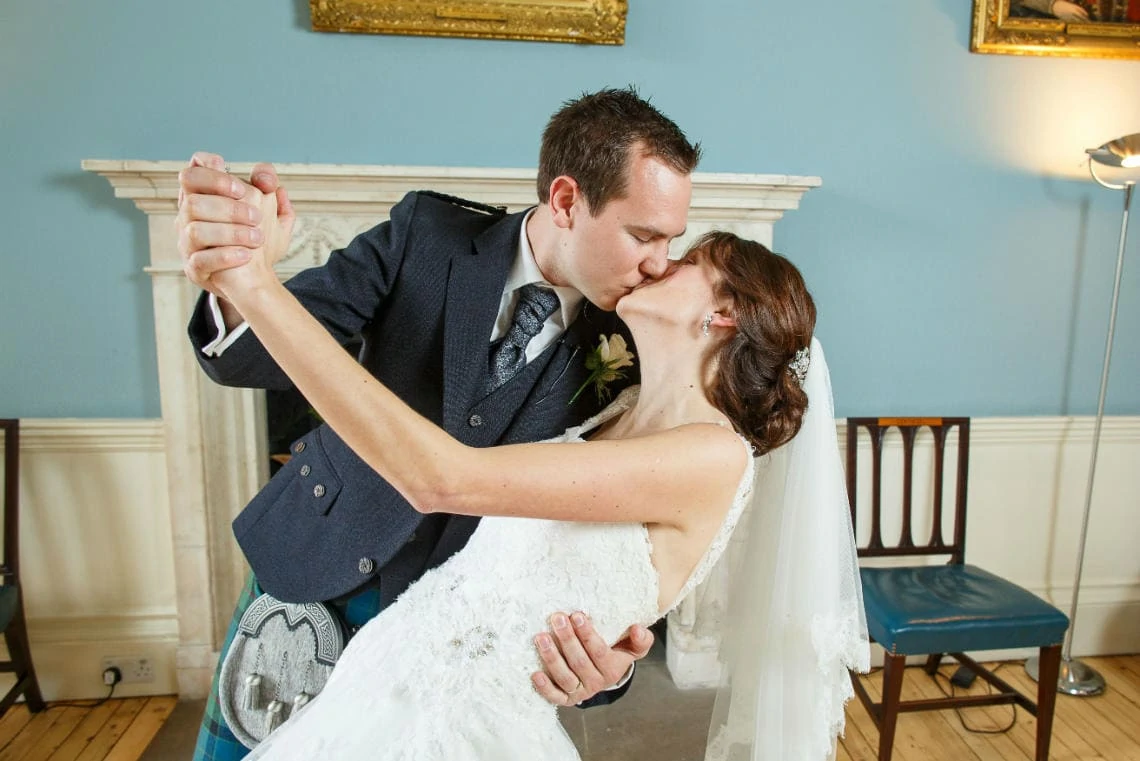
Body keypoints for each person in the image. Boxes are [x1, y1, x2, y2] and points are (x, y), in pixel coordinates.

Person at [202, 206, 866, 759]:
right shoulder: (614, 409)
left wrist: (257, 288)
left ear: (724, 314)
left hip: (459, 729)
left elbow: (443, 477)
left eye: (687, 259)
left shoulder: (714, 457)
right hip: (382, 677)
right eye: (653, 239)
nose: (662, 261)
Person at [177, 88, 701, 760]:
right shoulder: (428, 235)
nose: (659, 262)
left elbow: (603, 549)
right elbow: (258, 350)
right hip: (305, 575)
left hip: (439, 657)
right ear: (567, 201)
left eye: (670, 240)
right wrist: (241, 276)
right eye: (644, 234)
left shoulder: (637, 341)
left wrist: (609, 668)